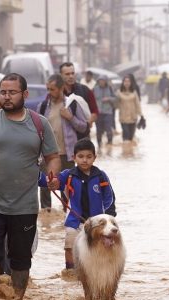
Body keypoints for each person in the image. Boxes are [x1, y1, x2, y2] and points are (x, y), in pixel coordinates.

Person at [0, 73, 61, 300]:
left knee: (20, 257)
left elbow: (53, 156)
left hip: (25, 204)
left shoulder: (39, 123)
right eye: (3, 92)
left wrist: (53, 175)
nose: (6, 97)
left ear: (24, 94)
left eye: (12, 92)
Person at [43, 139, 115, 270]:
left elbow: (109, 197)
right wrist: (51, 181)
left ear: (95, 157)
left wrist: (109, 218)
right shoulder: (68, 175)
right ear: (73, 158)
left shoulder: (101, 176)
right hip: (74, 221)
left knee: (99, 249)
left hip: (97, 223)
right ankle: (70, 272)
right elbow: (55, 181)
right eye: (81, 156)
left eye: (89, 156)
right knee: (70, 247)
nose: (85, 160)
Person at [37, 74, 88, 210]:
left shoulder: (72, 104)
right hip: (47, 154)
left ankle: (67, 213)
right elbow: (36, 130)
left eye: (52, 89)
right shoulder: (42, 106)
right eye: (48, 89)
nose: (49, 92)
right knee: (45, 186)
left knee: (67, 187)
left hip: (67, 154)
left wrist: (70, 117)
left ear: (62, 88)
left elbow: (83, 126)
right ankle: (46, 216)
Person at [60, 62, 98, 137]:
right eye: (67, 74)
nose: (71, 76)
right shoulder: (57, 93)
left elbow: (95, 112)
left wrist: (88, 123)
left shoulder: (85, 90)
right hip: (63, 137)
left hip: (82, 136)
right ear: (61, 75)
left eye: (72, 73)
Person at [92, 76, 117, 150]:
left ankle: (110, 145)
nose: (101, 82)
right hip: (98, 113)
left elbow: (116, 98)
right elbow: (91, 99)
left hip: (108, 112)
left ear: (106, 81)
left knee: (108, 129)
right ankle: (99, 146)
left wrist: (109, 99)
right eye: (100, 81)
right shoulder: (95, 89)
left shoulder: (110, 89)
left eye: (103, 81)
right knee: (98, 130)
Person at [116, 75, 142, 143]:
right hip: (123, 118)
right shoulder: (119, 92)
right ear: (123, 82)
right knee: (126, 135)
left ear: (131, 83)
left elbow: (137, 104)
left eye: (128, 81)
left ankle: (130, 152)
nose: (127, 83)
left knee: (131, 137)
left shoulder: (134, 92)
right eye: (125, 81)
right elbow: (116, 105)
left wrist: (141, 115)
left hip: (133, 117)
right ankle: (125, 152)